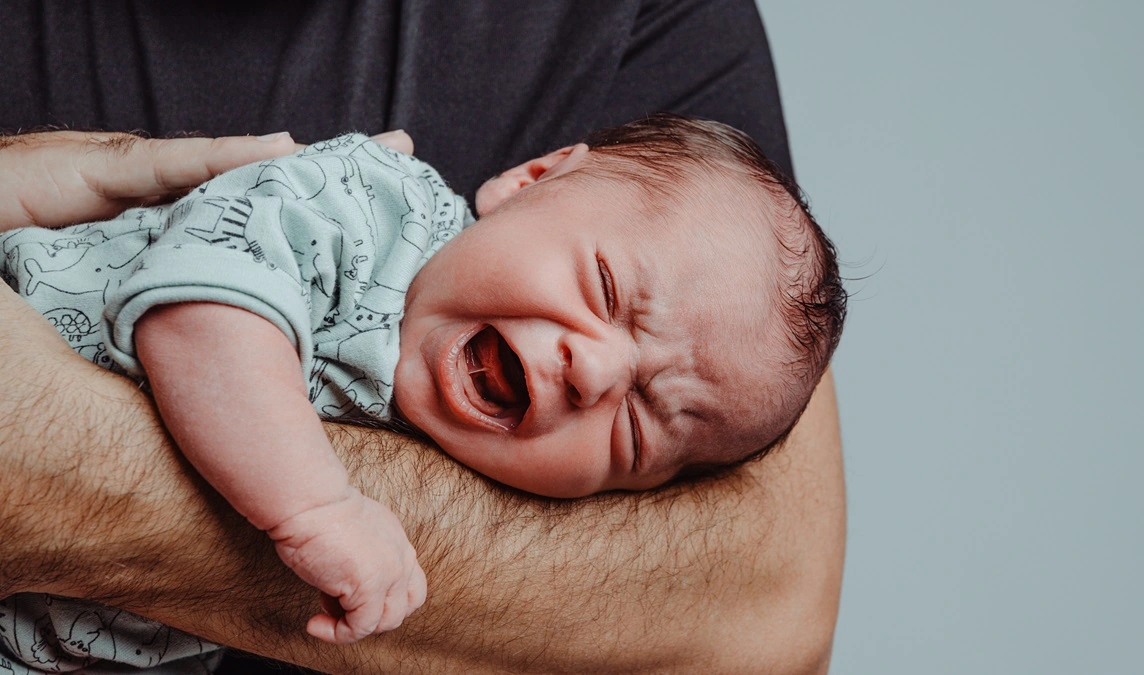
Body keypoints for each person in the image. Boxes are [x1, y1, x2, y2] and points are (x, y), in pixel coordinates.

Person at [0, 1, 846, 673]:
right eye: (606, 289)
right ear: (529, 181)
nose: (593, 370)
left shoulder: (661, 22)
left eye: (634, 426)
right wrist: (317, 507)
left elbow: (773, 616)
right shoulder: (373, 208)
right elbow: (200, 317)